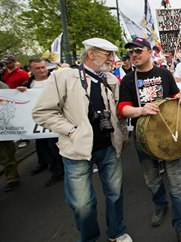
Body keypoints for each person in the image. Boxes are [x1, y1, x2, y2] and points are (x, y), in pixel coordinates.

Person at [32, 38, 132, 242]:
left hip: (109, 148)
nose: (113, 59)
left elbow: (118, 114)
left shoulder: (111, 80)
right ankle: (89, 238)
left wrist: (123, 135)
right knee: (81, 203)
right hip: (76, 151)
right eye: (108, 54)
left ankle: (117, 232)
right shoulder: (63, 77)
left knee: (115, 194)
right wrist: (70, 131)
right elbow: (42, 112)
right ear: (92, 54)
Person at [118, 38, 181, 242]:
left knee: (177, 184)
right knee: (152, 180)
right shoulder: (128, 80)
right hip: (144, 139)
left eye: (138, 51)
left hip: (168, 135)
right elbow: (122, 109)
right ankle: (161, 205)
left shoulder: (164, 73)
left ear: (149, 51)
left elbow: (175, 94)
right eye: (131, 52)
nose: (134, 55)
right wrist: (141, 110)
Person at [17, 59, 64, 187]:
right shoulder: (27, 85)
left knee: (54, 147)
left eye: (43, 67)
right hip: (37, 125)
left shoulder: (56, 81)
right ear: (30, 70)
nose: (42, 70)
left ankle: (59, 171)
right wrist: (19, 93)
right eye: (38, 68)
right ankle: (47, 165)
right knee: (42, 147)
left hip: (55, 121)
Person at [0, 54, 27, 192]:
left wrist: (17, 93)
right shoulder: (4, 74)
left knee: (6, 152)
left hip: (3, 122)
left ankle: (12, 178)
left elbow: (8, 95)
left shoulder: (20, 74)